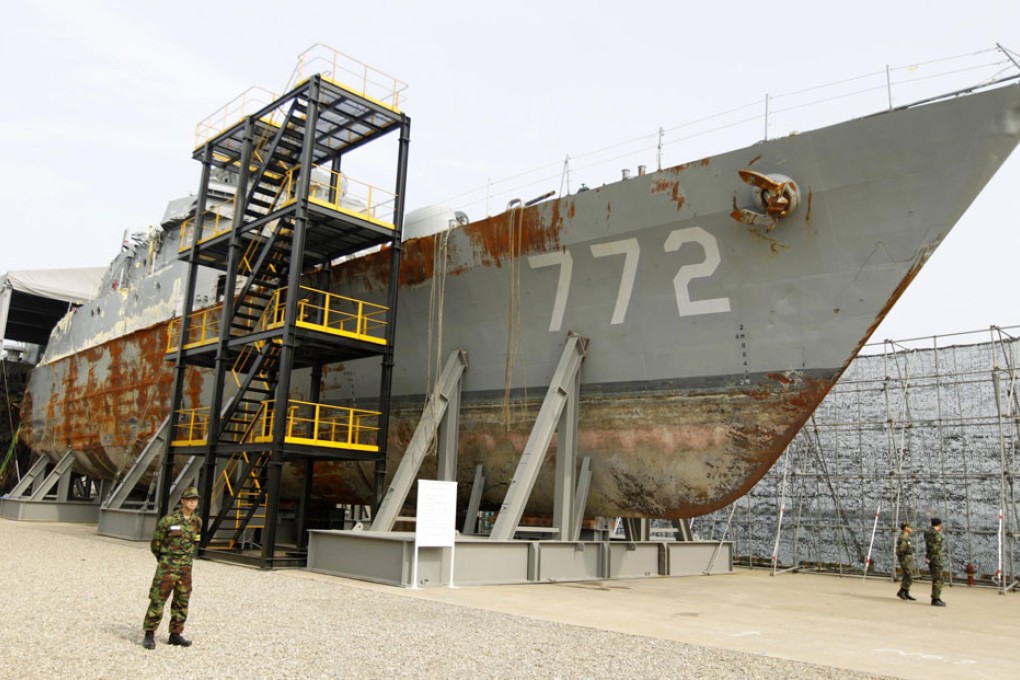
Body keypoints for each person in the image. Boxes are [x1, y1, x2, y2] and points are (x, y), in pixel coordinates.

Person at [142, 486, 203, 649]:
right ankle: (149, 633)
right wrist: (164, 560)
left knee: (181, 601)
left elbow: (195, 541)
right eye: (189, 499)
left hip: (185, 569)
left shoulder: (197, 521)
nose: (193, 502)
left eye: (195, 499)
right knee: (158, 599)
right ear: (182, 501)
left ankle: (175, 634)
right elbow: (156, 543)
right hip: (167, 567)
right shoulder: (169, 520)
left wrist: (186, 559)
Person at [924, 517, 946, 607]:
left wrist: (928, 557)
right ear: (939, 524)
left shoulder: (927, 532)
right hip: (936, 558)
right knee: (938, 579)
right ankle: (936, 598)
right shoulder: (936, 534)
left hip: (931, 558)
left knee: (935, 578)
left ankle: (936, 597)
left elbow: (929, 547)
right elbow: (935, 548)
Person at [895, 521, 916, 601]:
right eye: (910, 527)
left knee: (908, 574)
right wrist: (902, 557)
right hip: (905, 557)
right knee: (909, 575)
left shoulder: (907, 537)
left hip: (908, 557)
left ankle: (906, 592)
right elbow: (901, 549)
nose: (911, 529)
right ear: (906, 528)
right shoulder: (903, 537)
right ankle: (901, 591)